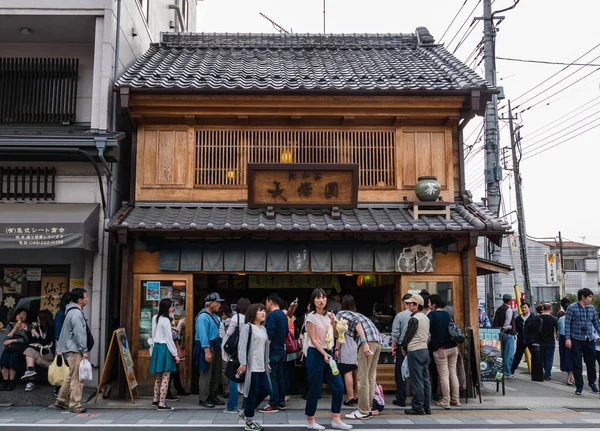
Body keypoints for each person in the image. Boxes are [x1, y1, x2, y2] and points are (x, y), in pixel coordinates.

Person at [304, 288, 352, 430]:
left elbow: (338, 334)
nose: (321, 300)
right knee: (315, 389)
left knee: (338, 387)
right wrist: (324, 354)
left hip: (329, 353)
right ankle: (310, 420)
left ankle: (336, 419)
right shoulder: (310, 317)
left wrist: (334, 322)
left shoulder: (330, 315)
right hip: (315, 354)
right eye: (318, 298)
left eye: (323, 297)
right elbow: (313, 339)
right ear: (313, 300)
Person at [337, 294, 383, 421]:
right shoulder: (357, 313)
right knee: (370, 377)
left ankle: (363, 411)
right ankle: (368, 409)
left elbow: (357, 324)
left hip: (367, 342)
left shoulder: (341, 314)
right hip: (377, 341)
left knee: (362, 378)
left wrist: (364, 343)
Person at [54, 288, 92, 413]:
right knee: (77, 378)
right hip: (75, 349)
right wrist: (84, 350)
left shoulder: (70, 311)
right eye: (86, 296)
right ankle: (75, 405)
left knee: (71, 375)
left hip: (69, 348)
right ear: (80, 300)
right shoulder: (76, 313)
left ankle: (61, 399)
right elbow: (79, 333)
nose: (87, 298)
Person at [237, 303, 270, 431]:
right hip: (251, 366)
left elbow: (265, 348)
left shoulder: (263, 328)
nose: (263, 313)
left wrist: (266, 361)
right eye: (260, 311)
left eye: (264, 311)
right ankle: (249, 420)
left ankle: (246, 411)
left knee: (265, 389)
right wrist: (243, 363)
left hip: (261, 366)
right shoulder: (248, 327)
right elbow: (242, 346)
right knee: (252, 393)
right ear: (253, 313)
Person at [565, 288, 600, 395]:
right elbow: (567, 324)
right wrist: (568, 338)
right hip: (576, 338)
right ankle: (579, 386)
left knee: (591, 363)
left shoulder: (591, 308)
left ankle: (592, 382)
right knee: (577, 363)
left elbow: (596, 323)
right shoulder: (572, 308)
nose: (591, 299)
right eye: (589, 297)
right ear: (583, 297)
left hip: (589, 338)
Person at [427, 294, 460, 409]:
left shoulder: (431, 315)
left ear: (434, 304)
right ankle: (456, 399)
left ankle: (446, 400)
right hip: (453, 347)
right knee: (453, 373)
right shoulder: (447, 314)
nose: (428, 304)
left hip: (440, 349)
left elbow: (427, 331)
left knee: (443, 375)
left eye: (429, 302)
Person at [401, 294, 431, 416]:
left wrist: (404, 347)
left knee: (417, 381)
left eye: (410, 304)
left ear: (416, 305)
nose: (408, 305)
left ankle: (418, 407)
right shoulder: (425, 317)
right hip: (424, 350)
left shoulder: (414, 319)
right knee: (425, 380)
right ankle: (427, 407)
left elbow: (408, 335)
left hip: (415, 350)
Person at [195, 292, 225, 408]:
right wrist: (207, 351)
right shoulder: (203, 317)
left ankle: (212, 395)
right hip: (207, 346)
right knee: (206, 372)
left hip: (215, 345)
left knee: (216, 372)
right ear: (211, 303)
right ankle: (203, 397)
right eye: (218, 302)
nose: (219, 305)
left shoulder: (213, 316)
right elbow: (203, 335)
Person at [150, 298, 181, 411]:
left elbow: (154, 334)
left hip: (157, 347)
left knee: (158, 376)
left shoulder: (156, 318)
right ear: (167, 308)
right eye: (172, 306)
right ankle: (162, 403)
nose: (173, 309)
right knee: (166, 376)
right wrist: (175, 354)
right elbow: (169, 339)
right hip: (164, 348)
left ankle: (155, 399)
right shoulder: (166, 320)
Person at [260, 293, 288, 413]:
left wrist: (264, 350)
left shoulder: (272, 316)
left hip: (273, 351)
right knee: (280, 376)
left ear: (270, 302)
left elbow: (269, 335)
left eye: (266, 302)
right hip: (282, 350)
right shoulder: (283, 315)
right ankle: (281, 401)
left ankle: (273, 403)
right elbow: (286, 333)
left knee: (273, 377)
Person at [223, 297, 251, 413]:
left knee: (233, 377)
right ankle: (245, 405)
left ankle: (232, 406)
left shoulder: (236, 317)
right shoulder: (250, 318)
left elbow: (229, 333)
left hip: (236, 352)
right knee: (246, 378)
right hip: (247, 350)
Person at [21, 309, 55, 391]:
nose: (37, 319)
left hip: (48, 354)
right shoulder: (37, 328)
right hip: (39, 352)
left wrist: (37, 335)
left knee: (29, 351)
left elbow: (45, 342)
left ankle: (30, 377)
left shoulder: (51, 329)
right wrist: (27, 331)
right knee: (29, 350)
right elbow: (32, 342)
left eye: (39, 318)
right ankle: (30, 373)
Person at [391, 293, 413, 407]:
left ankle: (401, 399)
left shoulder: (400, 316)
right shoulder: (420, 315)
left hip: (402, 347)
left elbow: (395, 333)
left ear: (404, 303)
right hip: (416, 347)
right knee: (416, 373)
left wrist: (393, 347)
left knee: (401, 373)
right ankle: (418, 399)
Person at [0, 308, 29, 391]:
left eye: (23, 314)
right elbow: (5, 338)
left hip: (19, 348)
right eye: (19, 314)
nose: (21, 316)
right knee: (4, 358)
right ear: (15, 316)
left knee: (13, 358)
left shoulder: (28, 326)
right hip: (9, 348)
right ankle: (5, 381)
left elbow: (26, 340)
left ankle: (12, 381)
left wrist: (13, 340)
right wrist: (15, 328)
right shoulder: (10, 325)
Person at [492, 294, 516, 378]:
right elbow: (507, 322)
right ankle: (507, 372)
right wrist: (504, 330)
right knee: (508, 354)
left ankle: (499, 371)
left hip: (498, 333)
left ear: (503, 299)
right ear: (510, 300)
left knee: (500, 353)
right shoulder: (509, 310)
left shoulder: (498, 309)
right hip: (508, 333)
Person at [511, 302, 537, 375]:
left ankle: (536, 371)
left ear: (529, 308)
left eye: (525, 307)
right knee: (517, 356)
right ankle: (512, 371)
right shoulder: (518, 318)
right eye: (522, 307)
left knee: (535, 356)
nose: (523, 309)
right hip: (521, 340)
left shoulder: (534, 318)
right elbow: (515, 329)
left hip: (531, 340)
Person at [336, 331, 358, 407]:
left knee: (347, 372)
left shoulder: (343, 320)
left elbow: (340, 335)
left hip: (347, 348)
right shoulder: (359, 320)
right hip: (358, 347)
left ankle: (350, 397)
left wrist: (336, 349)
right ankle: (357, 395)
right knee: (356, 372)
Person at [539, 303, 558, 380]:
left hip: (540, 341)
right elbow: (557, 329)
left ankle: (544, 372)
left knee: (542, 358)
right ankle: (547, 374)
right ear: (550, 309)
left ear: (543, 309)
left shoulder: (538, 317)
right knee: (549, 358)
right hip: (550, 341)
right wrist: (556, 335)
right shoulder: (553, 319)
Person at [558, 298, 574, 385]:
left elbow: (559, 331)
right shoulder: (573, 318)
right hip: (570, 338)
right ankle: (570, 377)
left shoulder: (561, 319)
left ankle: (571, 376)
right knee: (571, 357)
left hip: (562, 338)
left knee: (565, 357)